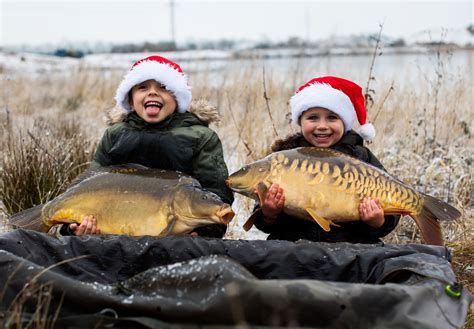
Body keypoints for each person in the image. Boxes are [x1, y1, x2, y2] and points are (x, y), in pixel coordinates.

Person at [52, 55, 233, 238]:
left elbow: (216, 192)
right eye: (142, 87)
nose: (152, 93)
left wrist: (203, 233)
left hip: (179, 238)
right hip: (115, 234)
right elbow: (92, 184)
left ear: (178, 98)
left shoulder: (201, 137)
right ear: (130, 100)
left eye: (163, 87)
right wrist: (73, 228)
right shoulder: (115, 135)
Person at [253, 76, 399, 243]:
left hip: (350, 247)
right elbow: (263, 223)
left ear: (345, 123)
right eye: (313, 118)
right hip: (293, 247)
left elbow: (392, 210)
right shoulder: (282, 158)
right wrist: (268, 214)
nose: (322, 126)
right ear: (300, 121)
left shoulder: (361, 157)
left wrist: (377, 222)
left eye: (332, 118)